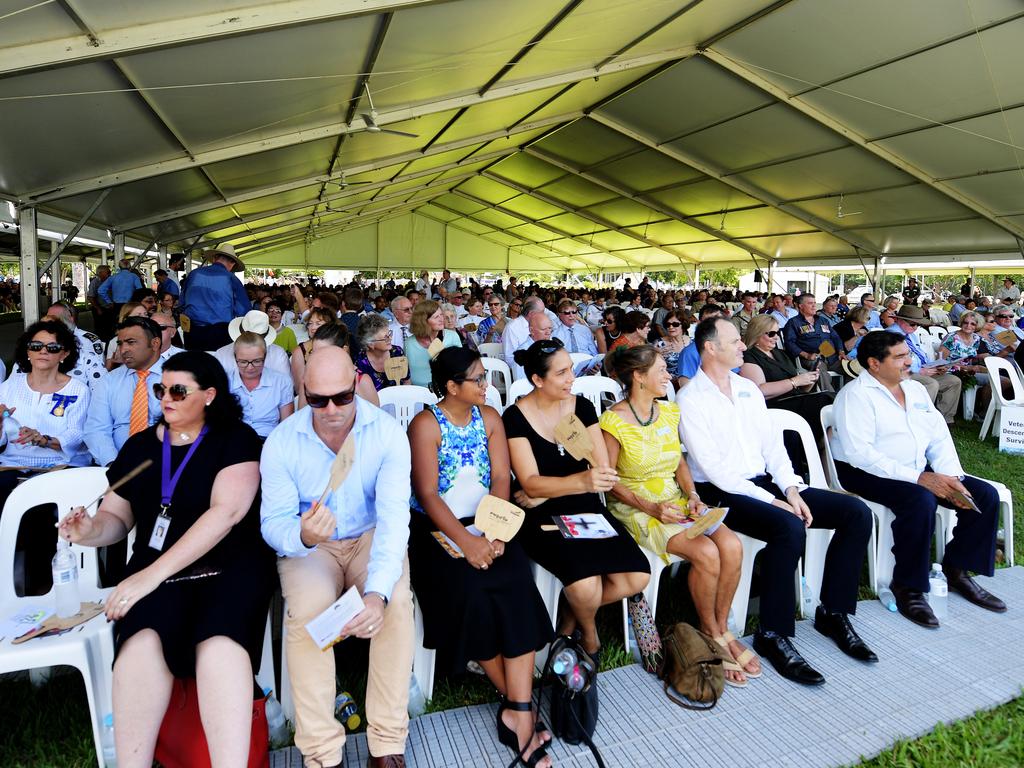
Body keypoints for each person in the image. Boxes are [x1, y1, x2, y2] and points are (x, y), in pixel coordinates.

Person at [59, 351, 276, 767]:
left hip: (227, 566)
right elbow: (116, 518)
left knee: (218, 646)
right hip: (156, 574)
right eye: (162, 389)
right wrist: (89, 531)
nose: (166, 398)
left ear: (210, 395)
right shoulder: (140, 447)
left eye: (178, 390)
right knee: (140, 647)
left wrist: (148, 577)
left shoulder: (236, 439)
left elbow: (225, 514)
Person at [678, 317, 876, 685]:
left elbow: (773, 447)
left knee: (855, 512)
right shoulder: (690, 399)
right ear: (710, 348)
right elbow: (716, 472)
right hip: (721, 492)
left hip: (763, 482)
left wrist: (790, 490)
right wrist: (772, 501)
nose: (742, 346)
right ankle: (773, 633)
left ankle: (833, 611)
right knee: (788, 527)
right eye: (735, 341)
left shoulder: (747, 389)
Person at [260, 347, 414, 768]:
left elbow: (393, 518)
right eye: (317, 399)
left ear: (357, 386)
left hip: (369, 535)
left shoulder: (385, 433)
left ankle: (386, 740)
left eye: (342, 398)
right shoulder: (282, 441)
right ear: (303, 391)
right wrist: (302, 534)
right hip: (312, 546)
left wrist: (377, 594)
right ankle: (322, 750)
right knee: (307, 614)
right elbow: (272, 522)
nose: (330, 409)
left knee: (396, 604)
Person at [408, 348, 553, 767]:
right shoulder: (425, 425)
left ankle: (516, 709)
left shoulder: (489, 418)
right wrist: (467, 543)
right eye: (476, 379)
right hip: (439, 528)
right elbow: (428, 494)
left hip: (489, 523)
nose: (485, 385)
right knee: (471, 589)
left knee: (515, 582)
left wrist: (495, 532)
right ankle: (518, 708)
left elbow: (501, 481)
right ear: (452, 387)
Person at [601, 346, 755, 685]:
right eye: (660, 370)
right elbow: (608, 481)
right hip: (637, 507)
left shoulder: (668, 412)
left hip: (675, 499)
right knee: (706, 552)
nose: (668, 374)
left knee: (730, 545)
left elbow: (680, 462)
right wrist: (650, 507)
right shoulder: (614, 420)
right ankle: (710, 631)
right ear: (638, 377)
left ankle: (721, 627)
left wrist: (694, 495)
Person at [830, 331, 1006, 627]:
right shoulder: (855, 395)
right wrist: (920, 478)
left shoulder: (914, 389)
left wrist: (951, 476)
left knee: (984, 495)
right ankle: (908, 586)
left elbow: (938, 435)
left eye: (907, 354)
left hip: (913, 467)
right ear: (874, 363)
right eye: (899, 356)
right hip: (864, 472)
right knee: (919, 500)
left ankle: (957, 570)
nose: (908, 361)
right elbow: (860, 454)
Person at [503, 339, 649, 660]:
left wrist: (583, 475)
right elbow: (529, 482)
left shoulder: (581, 407)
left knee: (637, 576)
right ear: (537, 380)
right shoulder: (515, 417)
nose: (572, 378)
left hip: (581, 505)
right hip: (542, 515)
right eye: (561, 373)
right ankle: (591, 638)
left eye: (571, 369)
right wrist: (578, 481)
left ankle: (569, 619)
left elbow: (601, 468)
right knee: (585, 585)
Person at [86, 317, 166, 467]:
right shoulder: (109, 381)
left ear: (155, 344)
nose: (123, 350)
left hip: (166, 464)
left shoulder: (178, 377)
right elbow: (96, 428)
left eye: (131, 342)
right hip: (117, 464)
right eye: (120, 343)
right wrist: (113, 464)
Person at [740, 315, 833, 442]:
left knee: (833, 401)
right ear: (757, 333)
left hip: (795, 399)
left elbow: (802, 389)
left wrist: (809, 379)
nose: (776, 337)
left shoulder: (780, 353)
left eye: (777, 332)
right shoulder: (749, 357)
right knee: (827, 399)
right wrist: (795, 381)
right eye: (771, 334)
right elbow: (759, 390)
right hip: (774, 405)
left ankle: (823, 449)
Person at [887, 305, 962, 424]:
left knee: (953, 381)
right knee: (931, 383)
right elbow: (894, 363)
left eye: (918, 324)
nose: (915, 327)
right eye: (912, 324)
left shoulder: (910, 334)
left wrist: (935, 366)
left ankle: (942, 420)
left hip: (920, 370)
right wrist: (919, 371)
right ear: (899, 320)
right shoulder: (890, 336)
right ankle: (920, 421)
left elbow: (919, 355)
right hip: (901, 374)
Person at [179, 244, 251, 351]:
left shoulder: (194, 274)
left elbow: (182, 301)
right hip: (220, 333)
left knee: (194, 364)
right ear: (232, 263)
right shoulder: (231, 278)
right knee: (216, 365)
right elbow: (244, 310)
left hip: (192, 331)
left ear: (214, 258)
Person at [228, 332, 294, 439]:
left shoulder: (282, 382)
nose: (250, 368)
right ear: (235, 358)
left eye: (257, 361)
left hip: (268, 440)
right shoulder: (224, 381)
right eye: (243, 362)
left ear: (265, 357)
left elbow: (286, 425)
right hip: (232, 439)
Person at [781, 294, 844, 377]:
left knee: (854, 369)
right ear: (801, 306)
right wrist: (806, 355)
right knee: (819, 370)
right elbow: (789, 343)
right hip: (811, 357)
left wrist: (841, 351)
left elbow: (835, 337)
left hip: (831, 356)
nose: (814, 306)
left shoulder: (823, 320)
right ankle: (828, 390)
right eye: (810, 303)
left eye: (815, 303)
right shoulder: (794, 322)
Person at [406, 300, 462, 388]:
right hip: (417, 391)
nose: (441, 319)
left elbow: (461, 367)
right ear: (423, 321)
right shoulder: (409, 343)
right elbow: (406, 373)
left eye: (441, 315)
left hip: (446, 389)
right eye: (436, 317)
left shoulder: (452, 336)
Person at [291, 308, 336, 406]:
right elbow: (299, 389)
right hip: (309, 402)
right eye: (310, 323)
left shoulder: (339, 348)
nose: (313, 328)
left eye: (318, 324)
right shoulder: (299, 351)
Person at [355, 313, 407, 390]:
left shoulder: (397, 352)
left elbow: (407, 381)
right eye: (385, 338)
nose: (390, 338)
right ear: (370, 344)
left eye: (389, 334)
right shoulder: (361, 362)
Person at [88, 264, 115, 340]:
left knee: (110, 328)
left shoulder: (110, 281)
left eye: (109, 272)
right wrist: (98, 308)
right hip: (100, 309)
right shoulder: (95, 282)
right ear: (101, 273)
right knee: (100, 328)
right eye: (108, 272)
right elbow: (90, 297)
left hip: (110, 309)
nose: (109, 273)